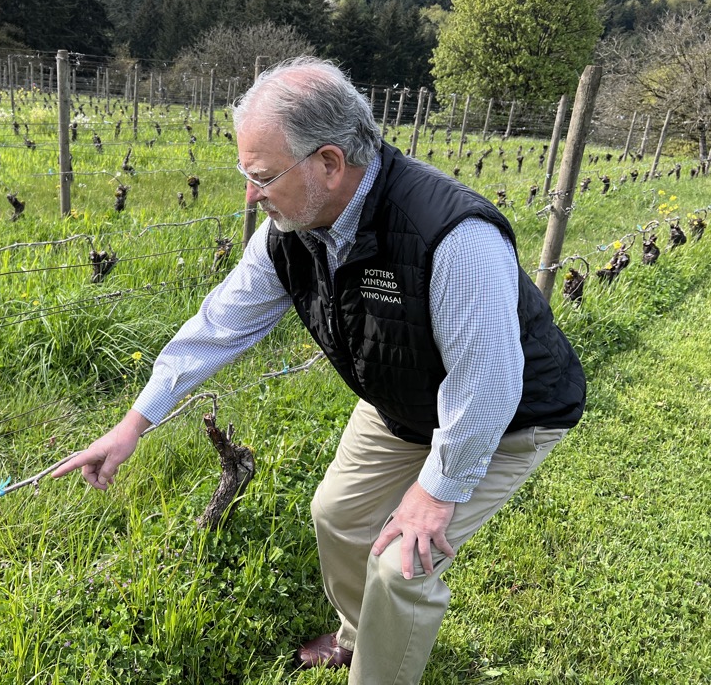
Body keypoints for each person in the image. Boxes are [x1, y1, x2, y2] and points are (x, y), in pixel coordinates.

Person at [53, 56, 586, 684]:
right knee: (338, 516)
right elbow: (217, 327)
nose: (250, 195)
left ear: (330, 163)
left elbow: (488, 385)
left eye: (262, 176)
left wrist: (435, 494)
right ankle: (361, 637)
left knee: (401, 562)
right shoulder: (289, 228)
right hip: (401, 398)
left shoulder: (450, 235)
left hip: (507, 416)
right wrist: (133, 424)